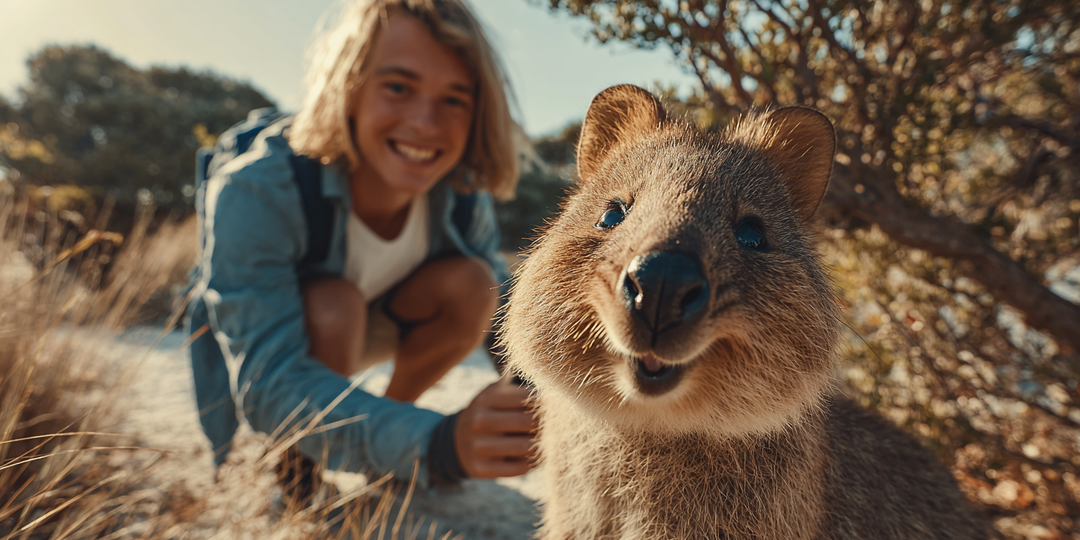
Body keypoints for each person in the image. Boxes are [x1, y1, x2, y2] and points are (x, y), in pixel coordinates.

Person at [185, 0, 535, 492]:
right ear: (348, 87)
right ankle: (297, 470)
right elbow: (269, 381)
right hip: (303, 338)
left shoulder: (459, 189)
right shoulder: (255, 191)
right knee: (335, 304)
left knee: (477, 285)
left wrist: (538, 395)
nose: (426, 123)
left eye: (455, 99)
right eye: (398, 87)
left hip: (383, 323)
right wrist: (439, 444)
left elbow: (502, 312)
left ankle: (391, 434)